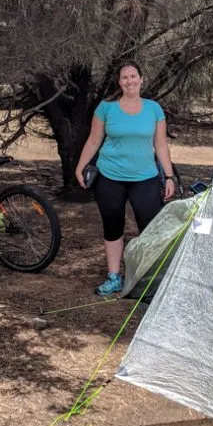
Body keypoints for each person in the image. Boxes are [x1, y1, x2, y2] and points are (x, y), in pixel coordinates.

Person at [75, 63, 176, 295]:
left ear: (141, 79)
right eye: (124, 77)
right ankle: (113, 277)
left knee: (150, 229)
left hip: (146, 177)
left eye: (133, 76)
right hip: (110, 176)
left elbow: (160, 144)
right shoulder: (106, 108)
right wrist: (80, 167)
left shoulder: (153, 109)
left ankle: (149, 280)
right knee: (112, 226)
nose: (129, 81)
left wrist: (168, 176)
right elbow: (93, 140)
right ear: (119, 82)